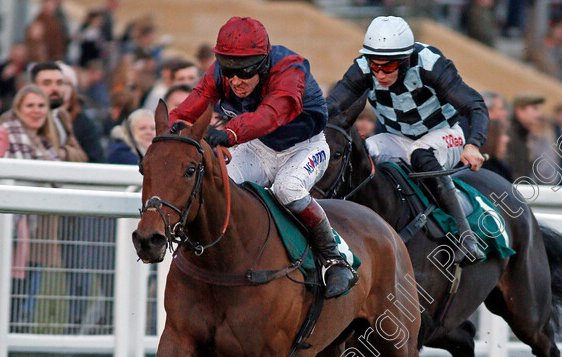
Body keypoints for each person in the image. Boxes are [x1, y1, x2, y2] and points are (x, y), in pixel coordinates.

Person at [170, 16, 356, 298]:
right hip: (259, 146)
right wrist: (168, 139)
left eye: (243, 72)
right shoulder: (223, 73)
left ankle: (334, 258)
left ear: (262, 65)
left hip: (305, 147)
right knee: (218, 183)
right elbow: (186, 110)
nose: (234, 81)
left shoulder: (290, 70)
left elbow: (270, 116)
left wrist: (229, 133)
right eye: (228, 71)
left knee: (287, 188)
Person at [327, 15, 488, 264]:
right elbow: (331, 107)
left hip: (445, 134)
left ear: (405, 60)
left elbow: (475, 105)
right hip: (397, 137)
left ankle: (466, 237)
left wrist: (473, 144)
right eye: (375, 65)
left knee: (420, 153)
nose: (379, 74)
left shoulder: (431, 65)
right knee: (361, 153)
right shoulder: (362, 68)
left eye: (388, 67)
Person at [0, 85, 62, 331]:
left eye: (41, 106)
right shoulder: (3, 134)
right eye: (30, 106)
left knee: (17, 299)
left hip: (31, 231)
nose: (36, 111)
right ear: (18, 109)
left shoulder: (45, 143)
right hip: (4, 229)